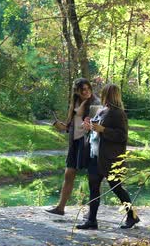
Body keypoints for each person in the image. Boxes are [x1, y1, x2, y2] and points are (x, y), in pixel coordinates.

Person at [75, 83, 140, 230]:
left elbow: (122, 136)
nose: (103, 96)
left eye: (105, 93)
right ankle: (92, 221)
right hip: (96, 155)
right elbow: (96, 129)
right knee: (93, 188)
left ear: (109, 95)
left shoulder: (119, 113)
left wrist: (104, 129)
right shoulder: (102, 110)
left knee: (116, 188)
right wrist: (89, 126)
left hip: (111, 158)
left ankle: (132, 216)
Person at [45, 78, 101, 216]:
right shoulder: (74, 102)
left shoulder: (95, 103)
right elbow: (71, 125)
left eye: (88, 89)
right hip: (75, 142)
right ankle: (60, 207)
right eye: (83, 89)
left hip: (87, 142)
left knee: (92, 178)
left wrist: (88, 126)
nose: (86, 92)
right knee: (68, 174)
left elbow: (95, 126)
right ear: (77, 91)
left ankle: (91, 212)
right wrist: (62, 126)